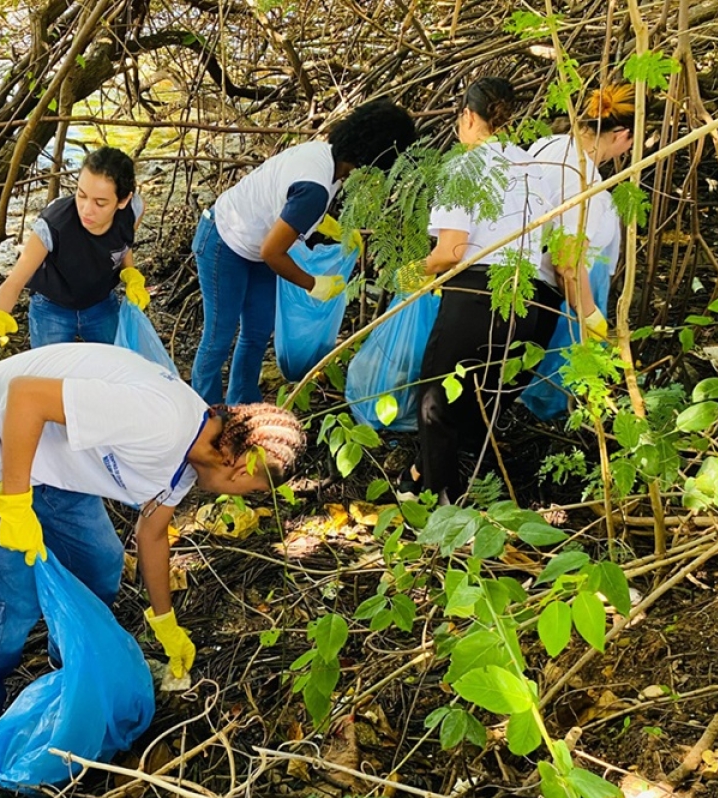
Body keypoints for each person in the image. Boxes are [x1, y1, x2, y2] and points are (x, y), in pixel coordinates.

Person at [0, 343, 305, 733]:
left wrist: (165, 622)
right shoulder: (163, 423)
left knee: (99, 565)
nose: (240, 496)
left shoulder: (192, 460)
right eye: (255, 490)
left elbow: (153, 535)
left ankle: (69, 663)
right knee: (4, 605)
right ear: (242, 469)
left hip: (52, 457)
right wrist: (16, 502)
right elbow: (26, 396)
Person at [189, 98, 416, 405]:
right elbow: (273, 252)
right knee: (219, 336)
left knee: (257, 330)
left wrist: (328, 225)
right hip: (224, 240)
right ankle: (206, 413)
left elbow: (286, 218)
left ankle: (243, 401)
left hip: (256, 244)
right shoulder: (316, 186)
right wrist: (313, 284)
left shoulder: (330, 160)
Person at [409, 77, 562, 503]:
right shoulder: (533, 168)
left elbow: (450, 251)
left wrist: (406, 279)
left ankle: (441, 506)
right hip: (525, 298)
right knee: (482, 401)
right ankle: (482, 493)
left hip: (476, 297)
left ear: (468, 116)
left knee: (435, 403)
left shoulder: (465, 166)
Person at [519, 84, 635, 417]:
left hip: (514, 274)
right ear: (621, 134)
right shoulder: (588, 190)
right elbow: (567, 264)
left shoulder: (549, 144)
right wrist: (590, 315)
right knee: (533, 378)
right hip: (542, 296)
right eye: (629, 141)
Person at [0, 146, 150, 348]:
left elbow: (122, 243)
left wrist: (131, 274)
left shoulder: (134, 209)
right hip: (51, 308)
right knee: (48, 372)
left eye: (100, 203)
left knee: (114, 365)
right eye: (81, 195)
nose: (86, 210)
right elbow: (14, 282)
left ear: (123, 200)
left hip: (101, 304)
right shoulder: (53, 225)